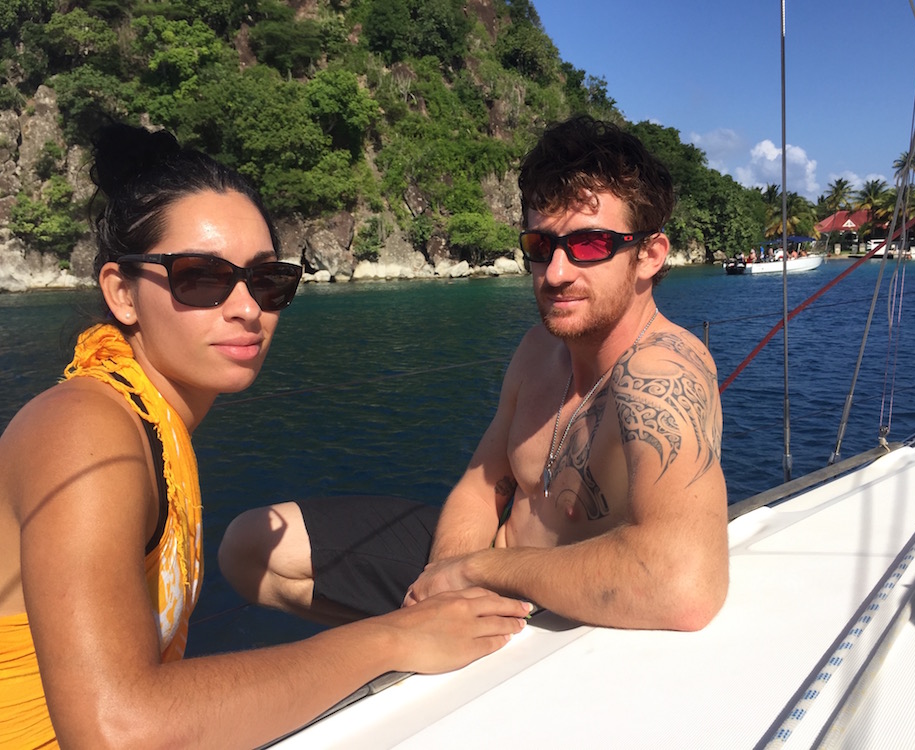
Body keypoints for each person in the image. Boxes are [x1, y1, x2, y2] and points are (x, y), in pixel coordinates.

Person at [0, 123, 528, 749]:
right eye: (200, 276)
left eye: (268, 279)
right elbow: (118, 730)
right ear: (122, 293)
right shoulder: (84, 427)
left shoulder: (150, 423)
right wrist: (394, 636)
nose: (248, 307)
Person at [220, 115, 729, 632]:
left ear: (649, 255)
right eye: (539, 246)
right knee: (252, 548)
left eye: (590, 244)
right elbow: (480, 487)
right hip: (484, 574)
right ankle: (400, 643)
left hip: (559, 608)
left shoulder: (664, 371)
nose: (554, 273)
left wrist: (477, 570)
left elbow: (684, 584)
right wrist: (443, 582)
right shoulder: (538, 351)